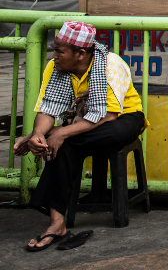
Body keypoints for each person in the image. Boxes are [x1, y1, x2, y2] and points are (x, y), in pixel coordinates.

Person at [14, 21, 147, 252]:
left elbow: (108, 117)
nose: (54, 55)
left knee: (70, 139)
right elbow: (48, 109)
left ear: (80, 53)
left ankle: (53, 215)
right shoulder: (55, 68)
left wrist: (60, 132)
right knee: (63, 145)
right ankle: (57, 225)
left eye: (59, 51)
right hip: (80, 122)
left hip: (122, 119)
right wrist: (38, 133)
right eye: (54, 49)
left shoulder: (110, 64)